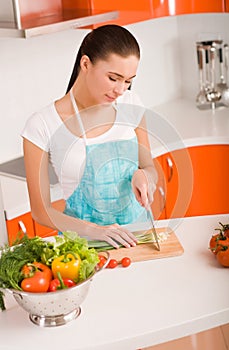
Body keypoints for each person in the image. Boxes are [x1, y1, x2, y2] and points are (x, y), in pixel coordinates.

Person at [22, 24, 158, 249]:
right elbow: (40, 211)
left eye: (128, 81)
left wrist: (145, 177)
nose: (121, 90)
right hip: (81, 250)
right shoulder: (43, 124)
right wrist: (96, 231)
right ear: (85, 64)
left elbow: (149, 168)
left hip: (138, 239)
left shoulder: (131, 104)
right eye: (113, 78)